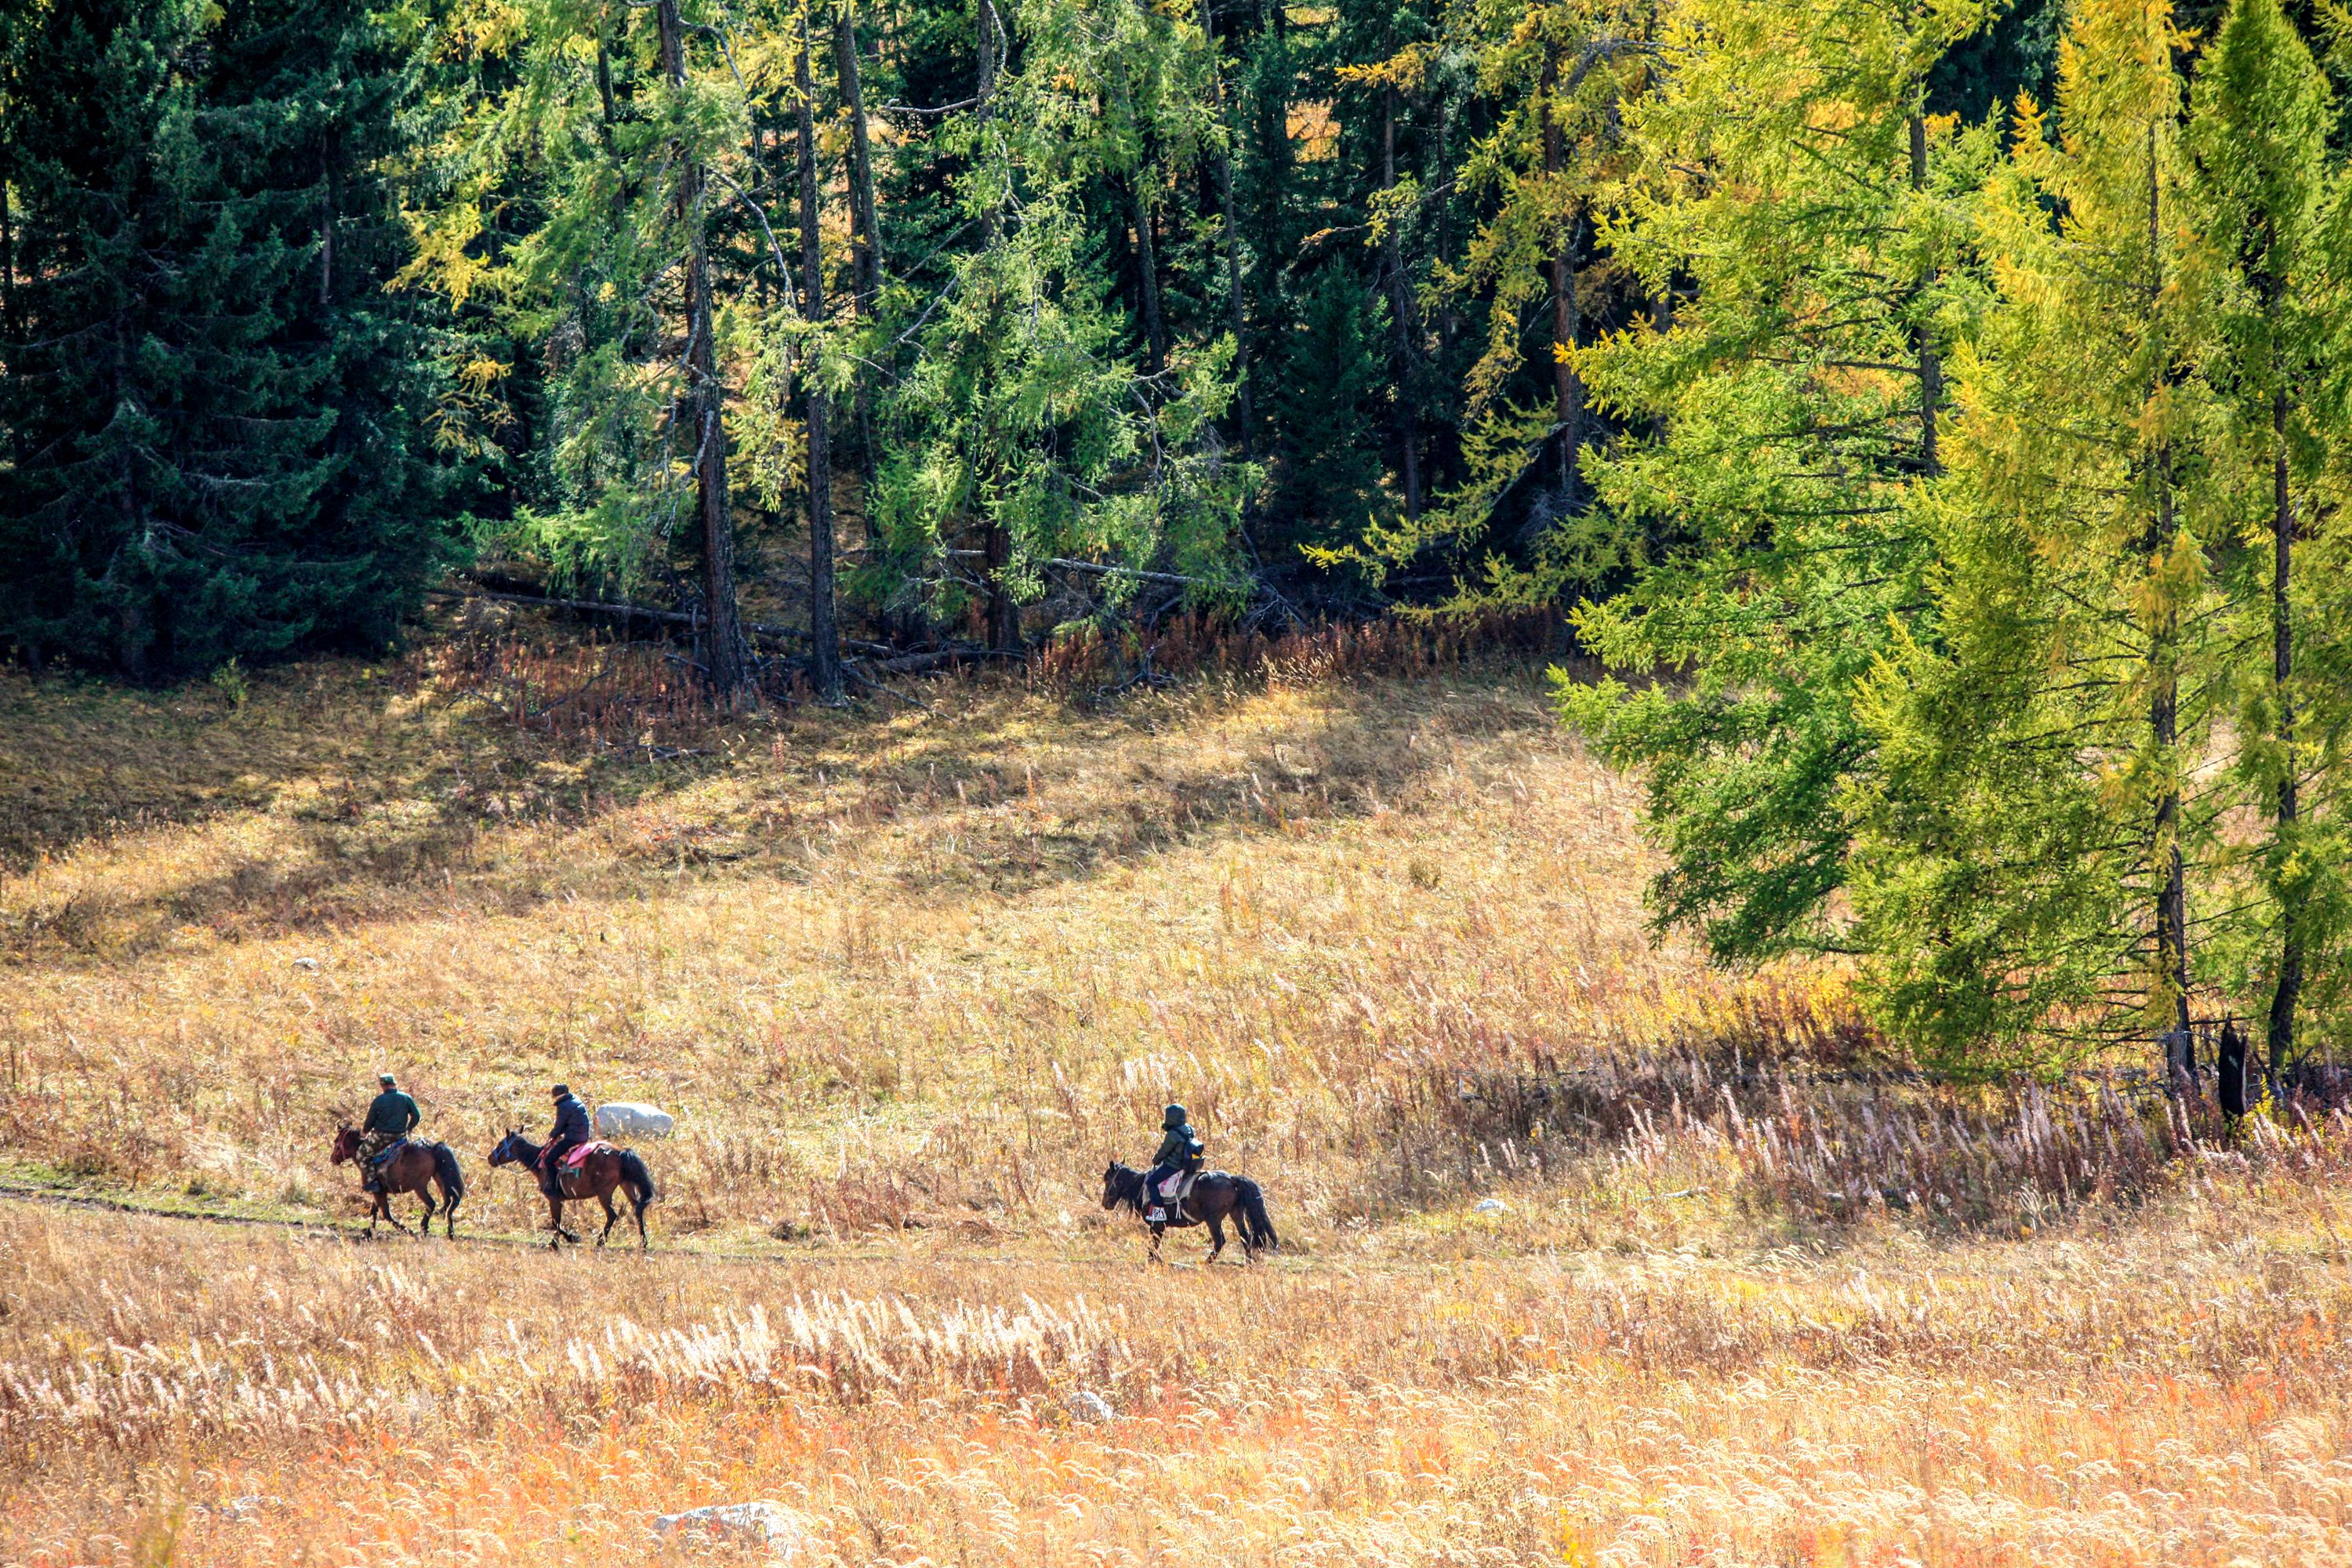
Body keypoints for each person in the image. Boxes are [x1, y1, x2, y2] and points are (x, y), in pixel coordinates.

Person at [357, 1074, 420, 1193]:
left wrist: (364, 1133)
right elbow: (417, 1116)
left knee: (361, 1154)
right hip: (400, 1137)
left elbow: (370, 1121)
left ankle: (372, 1181)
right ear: (394, 1084)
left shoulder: (379, 1100)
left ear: (382, 1086)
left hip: (381, 1137)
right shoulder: (406, 1098)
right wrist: (409, 1128)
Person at [1143, 1103, 1203, 1224]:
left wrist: (1156, 1160)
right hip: (1187, 1165)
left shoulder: (1172, 1134)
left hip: (1173, 1166)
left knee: (1151, 1182)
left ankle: (1159, 1213)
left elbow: (1164, 1151)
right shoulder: (1190, 1129)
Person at [541, 1083, 593, 1196]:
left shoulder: (563, 1106)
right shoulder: (576, 1100)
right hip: (583, 1135)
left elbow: (560, 1125)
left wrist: (553, 1135)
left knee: (549, 1160)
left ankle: (555, 1188)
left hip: (573, 1138)